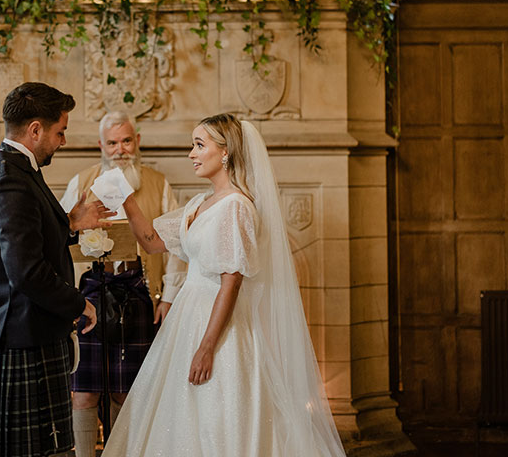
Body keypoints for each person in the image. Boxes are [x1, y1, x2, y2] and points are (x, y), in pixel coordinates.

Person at [100, 113, 347, 457]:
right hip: (188, 317)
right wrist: (126, 199)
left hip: (218, 327)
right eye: (193, 145)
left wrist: (207, 347)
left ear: (226, 151)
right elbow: (152, 240)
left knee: (219, 415)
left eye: (200, 145)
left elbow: (231, 283)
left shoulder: (236, 207)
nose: (192, 153)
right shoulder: (201, 203)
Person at [0, 82, 114, 457]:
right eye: (60, 131)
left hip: (11, 334)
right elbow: (26, 272)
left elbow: (18, 244)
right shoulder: (10, 182)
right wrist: (78, 304)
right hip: (23, 339)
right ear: (35, 129)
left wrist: (69, 223)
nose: (63, 141)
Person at [59, 111, 186, 457]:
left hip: (139, 294)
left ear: (137, 141)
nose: (120, 150)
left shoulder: (159, 184)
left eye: (126, 140)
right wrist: (67, 300)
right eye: (112, 143)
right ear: (101, 145)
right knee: (83, 392)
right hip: (91, 294)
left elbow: (176, 245)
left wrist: (170, 297)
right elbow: (59, 242)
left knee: (125, 392)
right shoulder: (81, 182)